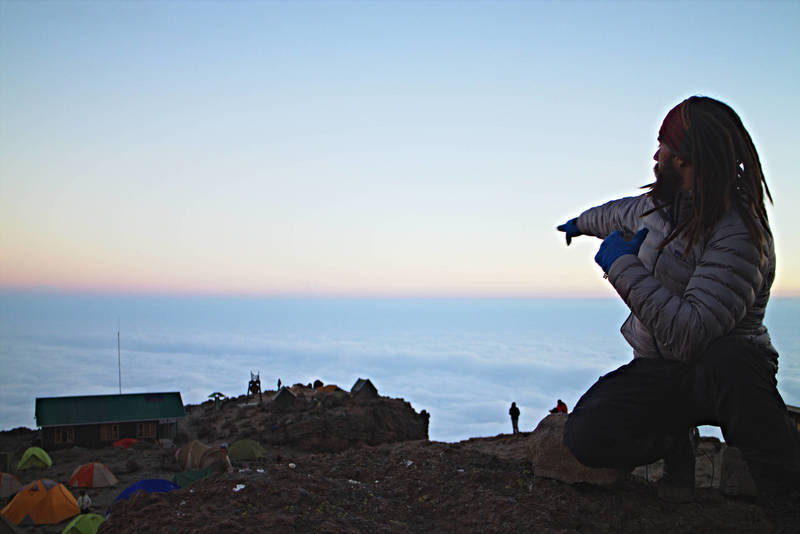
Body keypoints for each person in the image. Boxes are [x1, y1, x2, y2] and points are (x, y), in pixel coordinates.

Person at [555, 97, 800, 512]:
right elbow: (616, 214)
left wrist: (621, 265)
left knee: (733, 362)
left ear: (684, 160)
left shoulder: (739, 234)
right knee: (587, 433)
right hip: (662, 370)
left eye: (662, 146)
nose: (656, 155)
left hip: (725, 377)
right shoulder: (658, 207)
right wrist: (580, 224)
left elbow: (689, 336)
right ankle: (675, 442)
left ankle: (785, 500)